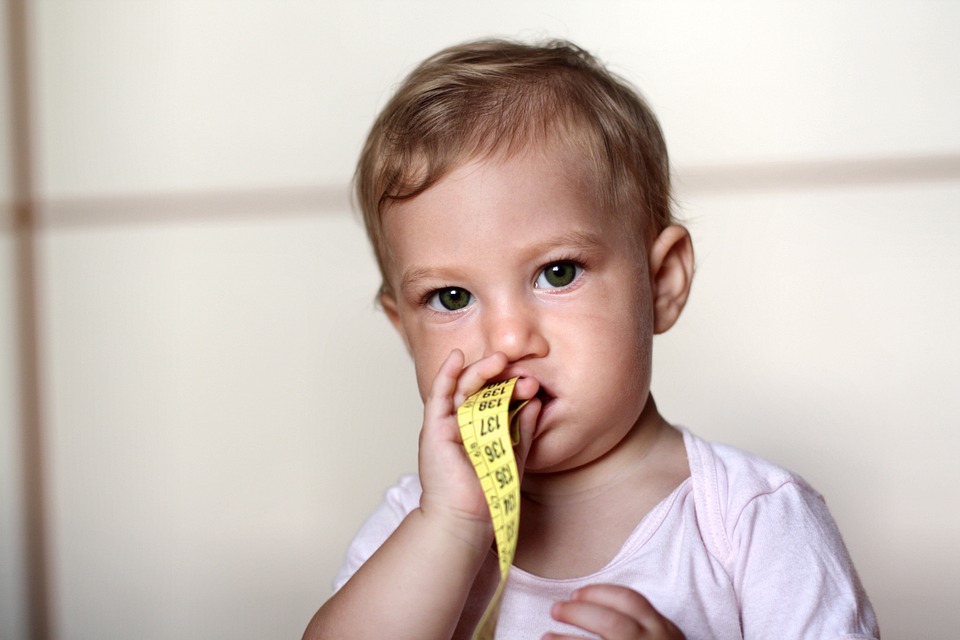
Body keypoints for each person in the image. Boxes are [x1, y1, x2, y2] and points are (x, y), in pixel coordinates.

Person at [303, 38, 879, 640]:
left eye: (557, 273)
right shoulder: (416, 524)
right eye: (451, 298)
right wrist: (451, 524)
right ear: (404, 331)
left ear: (661, 282)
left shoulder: (749, 521)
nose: (507, 336)